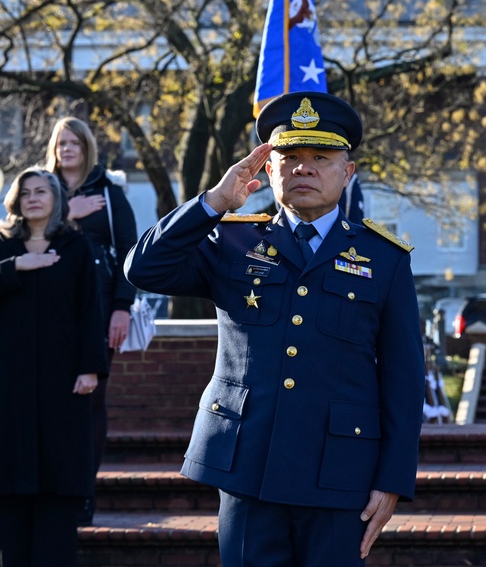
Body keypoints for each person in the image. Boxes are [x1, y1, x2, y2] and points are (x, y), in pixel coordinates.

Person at [125, 91, 425, 566]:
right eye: (289, 157)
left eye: (320, 158)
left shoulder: (383, 258)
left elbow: (404, 379)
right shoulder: (232, 238)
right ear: (268, 170)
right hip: (248, 462)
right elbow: (143, 269)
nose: (303, 168)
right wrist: (214, 203)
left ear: (347, 173)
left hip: (339, 470)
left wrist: (392, 480)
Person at [0, 167, 106, 566]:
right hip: (9, 383)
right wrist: (16, 267)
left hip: (63, 382)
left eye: (41, 191)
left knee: (58, 480)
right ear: (15, 201)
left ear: (56, 198)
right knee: (12, 485)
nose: (32, 198)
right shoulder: (3, 246)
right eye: (24, 192)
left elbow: (88, 312)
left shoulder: (77, 247)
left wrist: (90, 367)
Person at [44, 115, 138, 525]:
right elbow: (15, 238)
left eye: (74, 143)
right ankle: (49, 491)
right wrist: (68, 212)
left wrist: (122, 306)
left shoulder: (110, 191)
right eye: (61, 143)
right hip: (44, 313)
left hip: (98, 311)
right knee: (47, 402)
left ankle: (83, 492)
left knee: (91, 401)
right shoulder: (39, 187)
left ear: (86, 149)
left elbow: (132, 253)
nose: (66, 149)